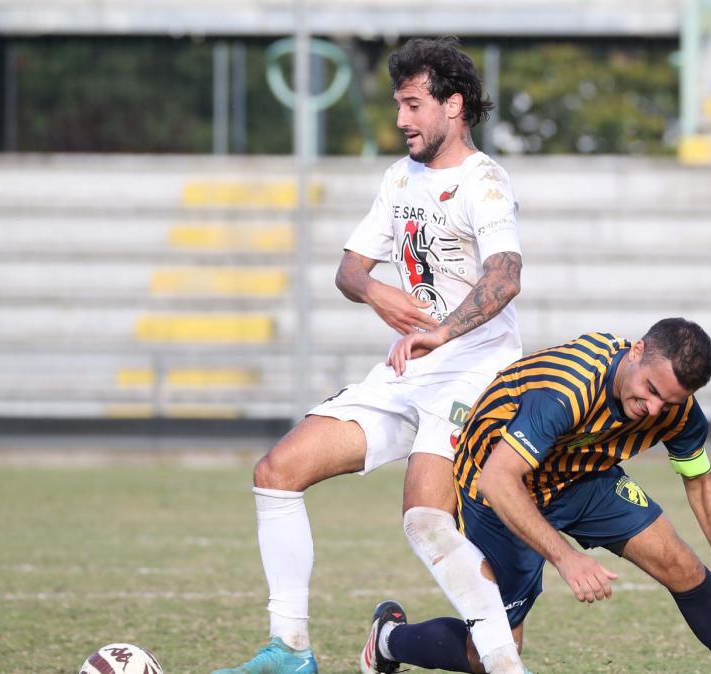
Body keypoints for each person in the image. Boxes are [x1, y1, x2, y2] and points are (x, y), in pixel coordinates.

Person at [213, 37, 528, 674]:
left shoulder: (485, 182)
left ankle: (502, 662)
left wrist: (442, 333)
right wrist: (375, 291)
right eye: (398, 105)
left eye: (413, 105)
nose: (401, 119)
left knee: (425, 519)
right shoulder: (398, 178)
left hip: (474, 373)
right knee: (277, 472)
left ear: (453, 105)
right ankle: (290, 652)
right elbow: (349, 270)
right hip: (407, 373)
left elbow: (505, 276)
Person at [361, 319, 711, 674]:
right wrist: (566, 557)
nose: (654, 409)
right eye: (652, 390)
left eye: (668, 401)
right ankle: (389, 640)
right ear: (636, 351)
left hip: (582, 476)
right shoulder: (567, 388)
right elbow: (498, 480)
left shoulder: (676, 410)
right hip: (500, 485)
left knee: (684, 567)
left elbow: (700, 478)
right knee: (491, 653)